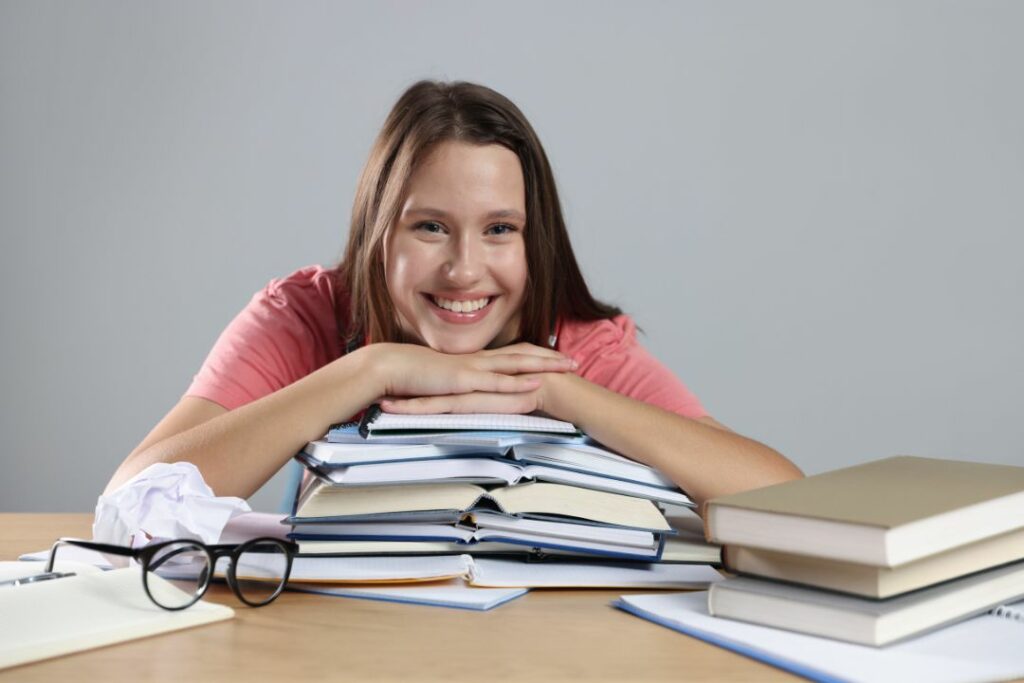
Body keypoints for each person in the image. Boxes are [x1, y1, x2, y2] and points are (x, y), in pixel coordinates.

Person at [105, 80, 802, 511]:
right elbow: (130, 501)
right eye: (431, 227)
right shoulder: (309, 313)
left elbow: (782, 497)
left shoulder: (572, 338)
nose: (465, 271)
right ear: (380, 231)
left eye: (500, 229)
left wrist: (550, 391)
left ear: (537, 241)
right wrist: (371, 370)